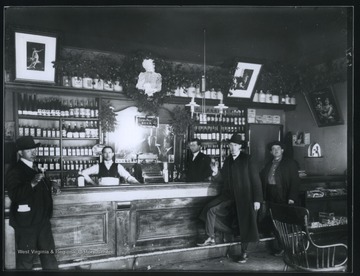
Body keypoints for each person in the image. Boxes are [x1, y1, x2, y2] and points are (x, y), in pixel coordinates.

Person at [197, 133, 263, 264]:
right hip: (230, 197)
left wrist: (257, 199)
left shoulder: (247, 159)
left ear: (240, 147)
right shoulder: (228, 160)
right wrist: (216, 172)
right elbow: (223, 179)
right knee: (210, 210)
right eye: (230, 145)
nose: (232, 148)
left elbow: (256, 181)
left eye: (235, 145)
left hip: (245, 198)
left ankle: (245, 253)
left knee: (247, 225)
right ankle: (210, 237)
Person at [5, 136, 59, 270]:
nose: (33, 152)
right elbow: (15, 195)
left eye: (34, 149)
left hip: (42, 221)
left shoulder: (35, 167)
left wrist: (51, 184)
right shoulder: (15, 170)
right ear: (20, 152)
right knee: (26, 261)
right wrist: (32, 183)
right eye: (29, 150)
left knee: (49, 258)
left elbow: (40, 186)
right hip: (26, 224)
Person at [259, 141, 300, 256]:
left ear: (282, 150)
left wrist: (291, 197)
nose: (276, 150)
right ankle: (282, 247)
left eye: (278, 148)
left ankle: (290, 248)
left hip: (284, 195)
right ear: (271, 152)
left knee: (285, 222)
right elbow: (262, 177)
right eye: (273, 148)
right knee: (274, 221)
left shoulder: (290, 163)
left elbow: (295, 181)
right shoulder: (268, 164)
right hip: (271, 194)